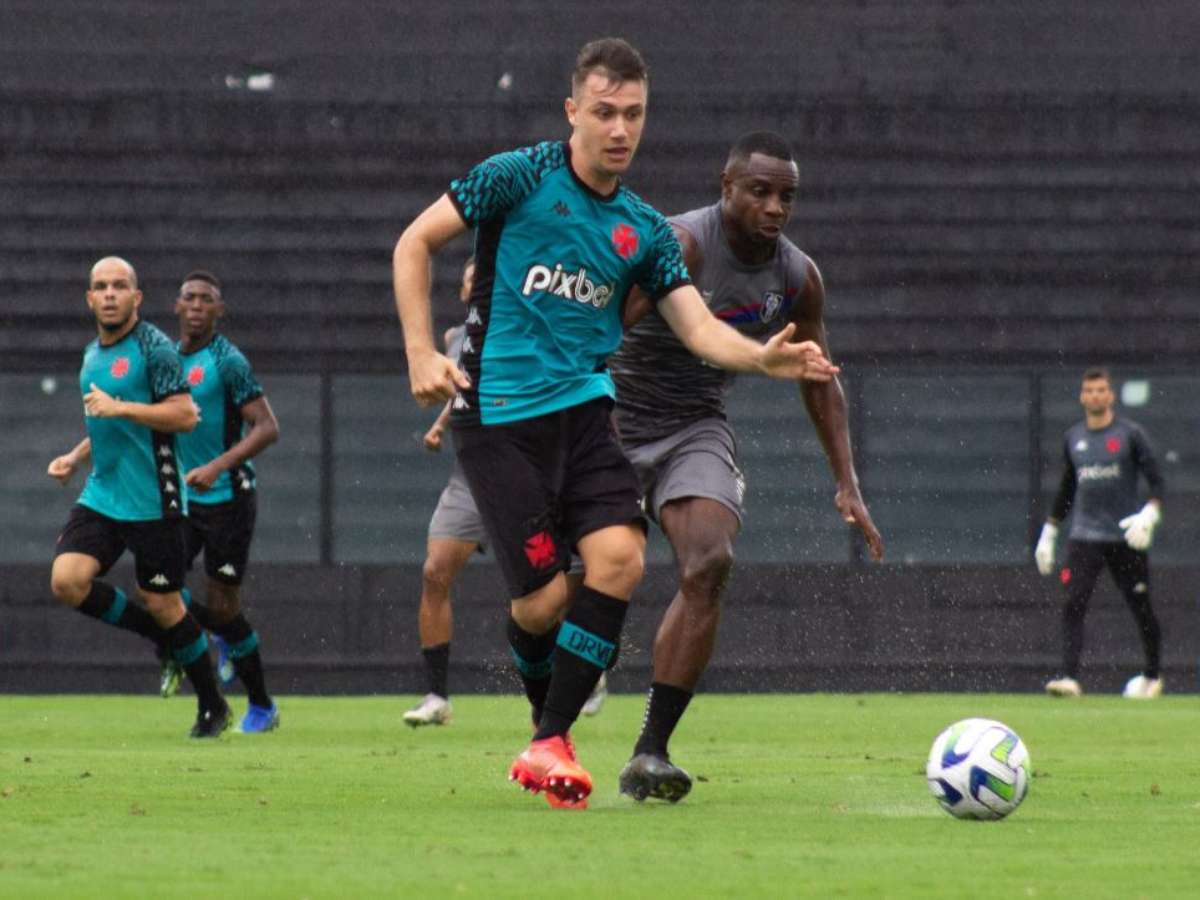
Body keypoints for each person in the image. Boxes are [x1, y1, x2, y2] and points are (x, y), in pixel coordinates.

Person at [393, 38, 838, 808]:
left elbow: (699, 330)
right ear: (573, 111)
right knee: (541, 607)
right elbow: (414, 243)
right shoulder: (517, 176)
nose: (620, 129)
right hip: (497, 419)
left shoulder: (644, 230)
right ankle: (547, 726)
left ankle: (550, 741)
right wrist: (420, 352)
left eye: (633, 114)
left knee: (621, 560)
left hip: (586, 414)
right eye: (604, 112)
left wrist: (764, 359)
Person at [608, 131, 885, 803]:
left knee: (710, 561)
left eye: (787, 196)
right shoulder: (683, 244)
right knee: (565, 591)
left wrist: (847, 482)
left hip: (692, 426)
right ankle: (561, 701)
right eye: (760, 192)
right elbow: (603, 328)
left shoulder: (797, 277)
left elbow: (819, 377)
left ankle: (650, 751)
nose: (775, 208)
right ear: (726, 186)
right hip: (612, 418)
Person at [404, 258, 608, 727]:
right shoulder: (455, 338)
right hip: (474, 470)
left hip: (532, 466)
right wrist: (440, 425)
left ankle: (582, 664)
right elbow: (465, 387)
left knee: (557, 584)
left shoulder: (532, 324)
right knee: (435, 570)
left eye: (484, 275)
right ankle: (437, 695)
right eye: (469, 278)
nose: (476, 282)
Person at [47, 256, 230, 737]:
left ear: (137, 297)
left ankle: (212, 705)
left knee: (164, 603)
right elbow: (105, 422)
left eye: (119, 286)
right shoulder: (91, 355)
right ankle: (160, 638)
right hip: (103, 494)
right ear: (89, 298)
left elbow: (185, 415)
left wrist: (121, 407)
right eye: (101, 286)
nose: (110, 294)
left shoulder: (155, 349)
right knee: (67, 581)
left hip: (155, 497)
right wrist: (75, 457)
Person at [170, 270, 282, 733]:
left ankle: (262, 706)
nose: (196, 305)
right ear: (177, 306)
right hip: (181, 500)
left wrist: (217, 466)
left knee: (223, 607)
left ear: (219, 310)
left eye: (206, 299)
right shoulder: (165, 359)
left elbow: (268, 427)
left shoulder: (228, 361)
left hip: (228, 498)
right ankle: (206, 640)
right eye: (189, 297)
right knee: (156, 588)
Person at [1034, 367, 1165, 699]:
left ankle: (1152, 676)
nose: (1095, 396)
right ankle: (1069, 677)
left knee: (1140, 605)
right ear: (1082, 396)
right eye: (1089, 391)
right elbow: (1067, 488)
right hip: (1085, 536)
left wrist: (1149, 514)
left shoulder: (1130, 435)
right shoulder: (1073, 438)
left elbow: (1157, 482)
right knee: (1073, 602)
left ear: (1111, 395)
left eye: (1101, 390)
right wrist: (1050, 531)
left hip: (1125, 536)